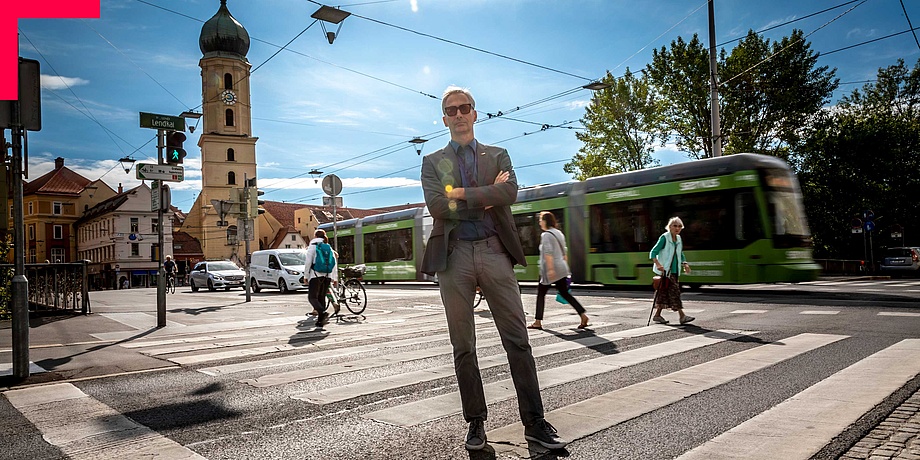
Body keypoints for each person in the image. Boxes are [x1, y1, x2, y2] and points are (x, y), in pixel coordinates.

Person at [420, 86, 567, 451]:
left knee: (518, 340)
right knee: (463, 347)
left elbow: (510, 194)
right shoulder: (431, 160)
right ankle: (476, 424)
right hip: (454, 258)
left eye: (464, 108)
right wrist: (484, 195)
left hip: (495, 252)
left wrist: (460, 194)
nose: (458, 114)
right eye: (451, 110)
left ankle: (534, 422)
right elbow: (438, 207)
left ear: (475, 113)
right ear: (444, 119)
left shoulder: (498, 154)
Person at [528, 211, 589, 330]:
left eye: (540, 220)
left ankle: (537, 322)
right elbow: (564, 252)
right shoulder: (559, 233)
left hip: (551, 270)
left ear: (545, 221)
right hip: (561, 267)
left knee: (541, 295)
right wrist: (565, 266)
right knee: (565, 294)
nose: (540, 223)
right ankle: (582, 315)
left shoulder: (546, 235)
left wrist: (550, 270)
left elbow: (548, 253)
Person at [649, 216, 694, 325]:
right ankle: (682, 316)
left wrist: (685, 263)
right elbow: (653, 252)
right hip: (665, 272)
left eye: (679, 226)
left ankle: (657, 315)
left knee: (663, 294)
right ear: (670, 227)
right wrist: (658, 264)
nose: (677, 228)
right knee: (675, 292)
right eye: (675, 226)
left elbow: (680, 253)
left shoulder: (678, 239)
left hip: (674, 271)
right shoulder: (664, 238)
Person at [305, 229, 337, 327]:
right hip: (327, 275)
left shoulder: (312, 247)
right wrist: (334, 277)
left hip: (315, 275)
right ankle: (320, 321)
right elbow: (334, 262)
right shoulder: (328, 247)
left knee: (312, 297)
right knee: (321, 297)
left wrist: (306, 276)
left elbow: (308, 263)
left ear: (315, 236)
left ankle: (322, 313)